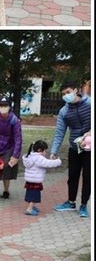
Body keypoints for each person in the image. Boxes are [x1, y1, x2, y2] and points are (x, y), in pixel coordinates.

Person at [51, 81, 92, 218]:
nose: (66, 96)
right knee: (72, 176)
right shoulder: (64, 111)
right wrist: (54, 151)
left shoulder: (89, 103)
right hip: (75, 148)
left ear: (75, 90)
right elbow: (59, 132)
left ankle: (84, 205)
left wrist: (91, 132)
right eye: (63, 94)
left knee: (87, 177)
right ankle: (71, 202)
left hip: (89, 148)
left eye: (68, 92)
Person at [22, 140, 61, 216]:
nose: (45, 153)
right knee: (35, 196)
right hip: (36, 180)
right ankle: (29, 209)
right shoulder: (39, 158)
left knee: (30, 194)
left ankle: (31, 207)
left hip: (29, 180)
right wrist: (58, 161)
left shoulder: (29, 156)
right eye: (45, 151)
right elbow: (48, 164)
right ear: (40, 150)